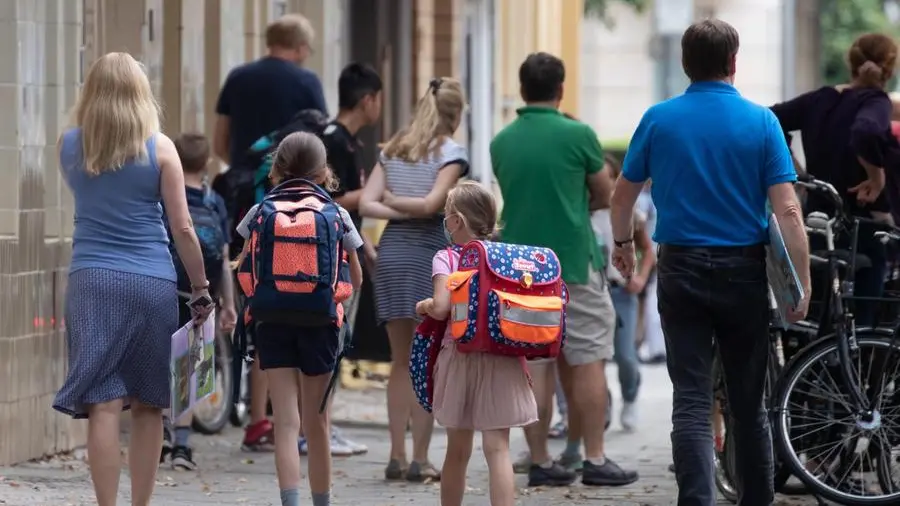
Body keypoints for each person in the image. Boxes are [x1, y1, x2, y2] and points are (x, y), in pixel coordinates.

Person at [609, 20, 810, 506]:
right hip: (743, 272)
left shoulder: (659, 118)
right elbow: (786, 210)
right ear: (733, 62)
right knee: (748, 406)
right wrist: (799, 282)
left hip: (680, 271)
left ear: (685, 63)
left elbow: (622, 196)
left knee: (693, 400)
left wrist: (623, 244)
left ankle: (696, 500)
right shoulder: (761, 121)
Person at [52, 52, 213, 506]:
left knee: (102, 402)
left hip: (90, 280)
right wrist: (201, 288)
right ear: (142, 93)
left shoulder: (68, 145)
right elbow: (183, 228)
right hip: (150, 282)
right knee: (148, 403)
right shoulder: (161, 148)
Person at [491, 52, 637, 487]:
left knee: (536, 362)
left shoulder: (503, 141)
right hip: (572, 261)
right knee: (589, 357)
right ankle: (593, 458)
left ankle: (540, 461)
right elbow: (603, 193)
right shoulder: (579, 135)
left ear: (522, 90)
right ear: (560, 89)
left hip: (518, 268)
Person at [213, 13, 326, 451]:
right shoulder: (307, 82)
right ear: (298, 46)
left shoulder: (238, 78)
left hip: (249, 200)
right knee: (298, 298)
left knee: (256, 305)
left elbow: (222, 142)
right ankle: (294, 416)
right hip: (295, 205)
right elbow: (319, 142)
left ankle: (258, 417)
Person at [234, 132, 364, 506]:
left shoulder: (260, 213)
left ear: (277, 169)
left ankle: (289, 501)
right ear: (324, 173)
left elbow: (244, 270)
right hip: (320, 324)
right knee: (317, 424)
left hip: (272, 322)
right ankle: (321, 501)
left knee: (286, 423)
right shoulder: (337, 214)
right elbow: (354, 279)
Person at [359, 77, 469, 482]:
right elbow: (431, 204)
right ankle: (421, 459)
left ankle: (395, 454)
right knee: (428, 360)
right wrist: (412, 209)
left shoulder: (394, 150)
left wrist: (390, 203)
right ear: (455, 114)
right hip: (430, 256)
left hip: (391, 254)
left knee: (400, 362)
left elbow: (368, 202)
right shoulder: (452, 155)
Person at [417, 181, 538, 506]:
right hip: (503, 355)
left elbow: (442, 307)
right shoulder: (506, 255)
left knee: (457, 449)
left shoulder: (448, 257)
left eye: (446, 215)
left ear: (455, 220)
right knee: (498, 449)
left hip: (461, 356)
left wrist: (425, 305)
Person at [771, 33, 897, 327]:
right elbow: (865, 133)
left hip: (817, 221)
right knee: (864, 324)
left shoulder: (820, 99)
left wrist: (796, 174)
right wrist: (876, 178)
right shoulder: (875, 102)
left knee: (819, 314)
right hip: (862, 227)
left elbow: (770, 119)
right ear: (889, 68)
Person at [296, 62, 384, 457]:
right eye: (378, 99)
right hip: (327, 259)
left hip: (345, 248)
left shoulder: (349, 142)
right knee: (328, 340)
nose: (378, 106)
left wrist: (363, 243)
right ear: (367, 100)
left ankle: (322, 425)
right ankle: (314, 429)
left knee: (335, 342)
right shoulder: (333, 140)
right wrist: (369, 200)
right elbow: (323, 197)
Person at [159, 133, 238, 470]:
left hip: (165, 288)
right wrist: (229, 304)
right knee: (189, 367)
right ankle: (182, 446)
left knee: (161, 361)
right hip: (201, 295)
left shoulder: (163, 195)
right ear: (206, 163)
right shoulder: (214, 201)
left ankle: (161, 428)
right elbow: (222, 257)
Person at [591, 153, 655, 432]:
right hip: (593, 290)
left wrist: (640, 277)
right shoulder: (584, 213)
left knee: (626, 355)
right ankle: (600, 405)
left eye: (608, 177)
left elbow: (648, 251)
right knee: (594, 358)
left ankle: (630, 398)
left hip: (621, 292)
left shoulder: (629, 213)